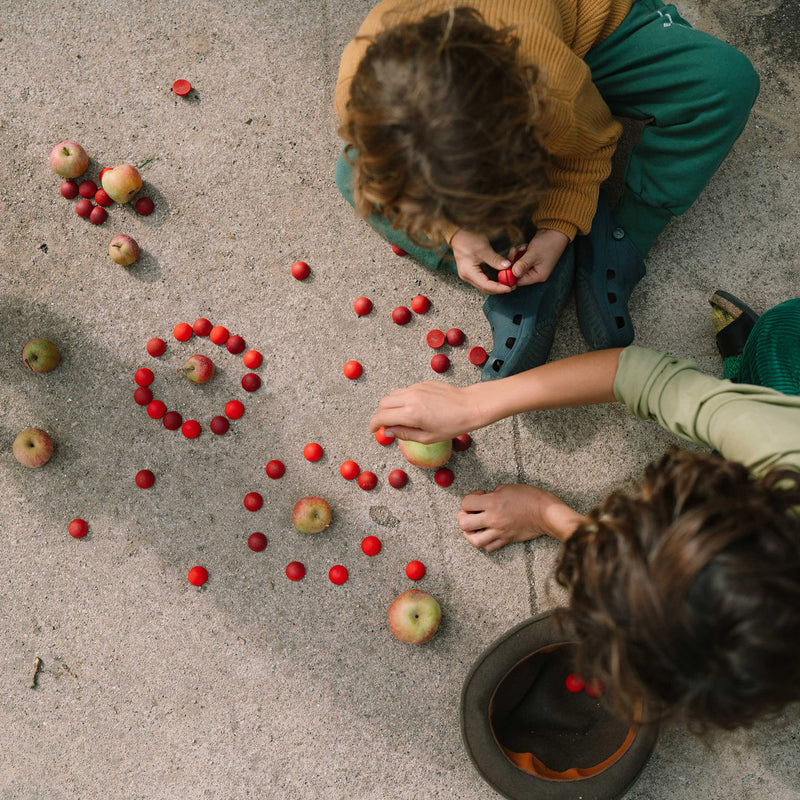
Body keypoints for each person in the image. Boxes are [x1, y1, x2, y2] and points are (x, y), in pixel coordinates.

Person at [368, 294, 800, 729]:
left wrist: (547, 514)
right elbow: (639, 376)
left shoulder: (776, 450)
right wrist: (474, 404)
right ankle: (747, 388)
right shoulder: (779, 445)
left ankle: (747, 389)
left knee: (761, 376)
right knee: (772, 348)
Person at [335, 1, 760, 379]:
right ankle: (511, 264)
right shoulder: (360, 93)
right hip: (531, 81)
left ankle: (620, 238)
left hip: (593, 29)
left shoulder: (544, 86)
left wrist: (558, 223)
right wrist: (455, 233)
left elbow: (589, 146)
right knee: (351, 174)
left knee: (726, 82)